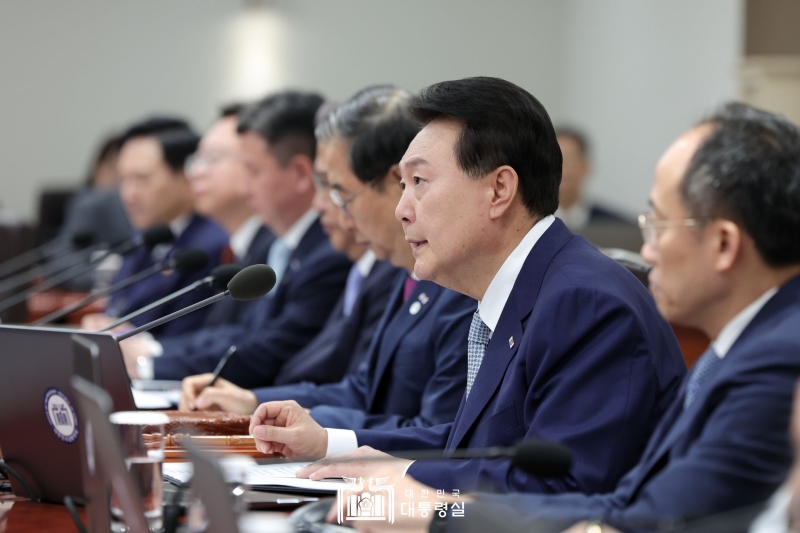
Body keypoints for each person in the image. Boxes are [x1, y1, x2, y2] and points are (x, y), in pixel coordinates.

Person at [343, 102, 800, 533]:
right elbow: (621, 503)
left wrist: (438, 513)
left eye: (658, 225)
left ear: (723, 244)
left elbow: (645, 521)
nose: (646, 251)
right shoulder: (744, 346)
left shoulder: (774, 364)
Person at [248, 77, 687, 496]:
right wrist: (330, 444)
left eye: (419, 182)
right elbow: (476, 444)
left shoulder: (584, 303)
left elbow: (564, 484)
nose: (402, 209)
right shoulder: (522, 288)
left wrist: (402, 476)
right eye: (402, 186)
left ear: (499, 189)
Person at [180, 85, 475, 434]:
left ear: (397, 182)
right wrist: (255, 402)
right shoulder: (404, 272)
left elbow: (440, 433)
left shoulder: (458, 283)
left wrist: (323, 439)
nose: (326, 205)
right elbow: (362, 390)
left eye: (340, 192)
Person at [177, 102, 399, 410]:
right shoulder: (278, 247)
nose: (322, 204)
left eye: (336, 189)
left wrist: (260, 403)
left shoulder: (366, 265)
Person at [124, 92, 352, 387]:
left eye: (253, 170)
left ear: (299, 174)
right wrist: (151, 352)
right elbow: (240, 332)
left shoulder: (327, 253)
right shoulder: (279, 247)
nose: (245, 185)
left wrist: (148, 361)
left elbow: (269, 352)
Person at [100, 117, 228, 339]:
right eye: (123, 179)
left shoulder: (213, 244)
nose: (128, 195)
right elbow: (118, 308)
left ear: (186, 176)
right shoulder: (145, 235)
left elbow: (188, 335)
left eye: (141, 179)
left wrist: (122, 333)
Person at [183, 104, 275, 327]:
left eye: (212, 158)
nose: (196, 172)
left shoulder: (275, 251)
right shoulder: (236, 249)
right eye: (196, 159)